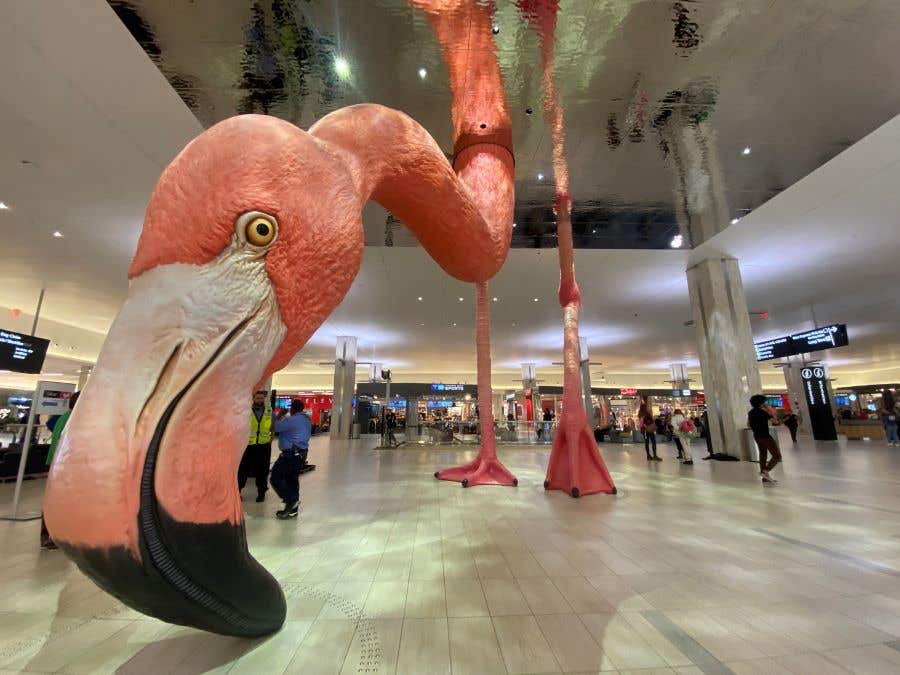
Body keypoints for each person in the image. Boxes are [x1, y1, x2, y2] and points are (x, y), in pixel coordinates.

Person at [42, 391, 80, 549]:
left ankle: (51, 535)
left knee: (53, 499)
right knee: (60, 501)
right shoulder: (75, 418)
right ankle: (54, 535)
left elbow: (50, 426)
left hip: (56, 461)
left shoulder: (62, 417)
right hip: (64, 464)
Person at [270, 399, 312, 520]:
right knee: (292, 480)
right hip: (300, 455)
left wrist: (279, 415)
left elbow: (275, 427)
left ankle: (291, 501)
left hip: (290, 455)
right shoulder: (306, 420)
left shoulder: (293, 420)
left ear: (293, 408)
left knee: (275, 478)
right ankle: (293, 510)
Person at [238, 391, 273, 502]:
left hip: (264, 446)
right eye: (258, 398)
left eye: (261, 398)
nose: (260, 400)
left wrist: (270, 439)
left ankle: (261, 493)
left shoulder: (269, 411)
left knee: (262, 471)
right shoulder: (246, 411)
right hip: (248, 446)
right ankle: (238, 491)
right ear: (253, 399)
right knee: (243, 470)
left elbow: (272, 426)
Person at [748, 394, 782, 483]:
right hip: (765, 436)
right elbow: (775, 421)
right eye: (764, 402)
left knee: (763, 455)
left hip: (757, 436)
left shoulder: (751, 412)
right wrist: (769, 410)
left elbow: (749, 424)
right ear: (761, 403)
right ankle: (765, 471)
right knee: (777, 456)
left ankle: (765, 478)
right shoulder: (763, 412)